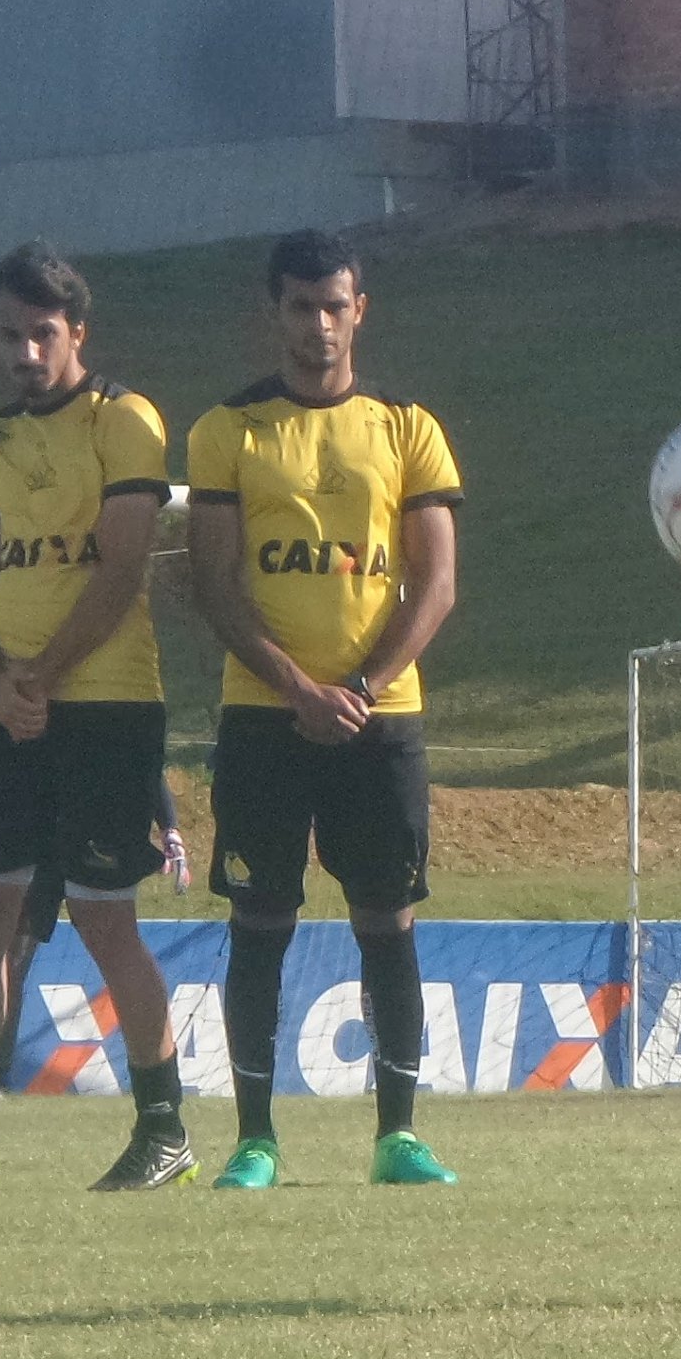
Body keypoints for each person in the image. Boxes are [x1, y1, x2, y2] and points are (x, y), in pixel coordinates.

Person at [0, 243, 191, 1195]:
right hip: (10, 711)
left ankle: (164, 1129)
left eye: (42, 332)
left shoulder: (126, 420)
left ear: (78, 331)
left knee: (105, 917)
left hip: (106, 703)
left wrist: (43, 676)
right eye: (8, 334)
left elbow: (121, 568)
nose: (24, 352)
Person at [187, 229, 464, 1190]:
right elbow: (215, 585)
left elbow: (434, 585)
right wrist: (298, 688)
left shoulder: (407, 426)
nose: (317, 327)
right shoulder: (228, 430)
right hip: (265, 716)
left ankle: (398, 1134)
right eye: (299, 308)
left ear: (360, 311)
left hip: (378, 718)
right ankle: (255, 1138)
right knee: (260, 918)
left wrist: (360, 689)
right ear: (276, 314)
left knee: (386, 918)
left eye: (333, 306)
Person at [0, 772, 191, 1090]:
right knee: (12, 951)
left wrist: (169, 825)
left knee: (116, 944)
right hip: (38, 833)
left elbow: (144, 754)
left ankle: (158, 1091)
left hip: (94, 828)